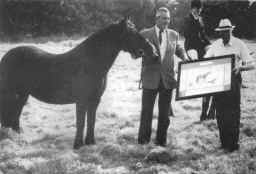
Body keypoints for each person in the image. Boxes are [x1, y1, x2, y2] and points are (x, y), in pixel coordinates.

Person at [138, 7, 188, 146]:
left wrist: (184, 56)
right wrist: (143, 53)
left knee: (165, 114)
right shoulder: (145, 34)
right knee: (146, 111)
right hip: (150, 79)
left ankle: (161, 142)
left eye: (168, 19)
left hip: (167, 79)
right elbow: (136, 52)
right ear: (157, 19)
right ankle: (143, 141)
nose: (167, 21)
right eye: (164, 18)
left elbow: (178, 48)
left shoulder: (173, 34)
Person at [204, 18, 255, 152]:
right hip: (219, 82)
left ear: (231, 30)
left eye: (227, 31)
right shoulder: (215, 45)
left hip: (234, 81)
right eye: (222, 31)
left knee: (233, 112)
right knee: (220, 112)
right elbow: (206, 59)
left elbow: (251, 64)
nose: (224, 34)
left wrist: (240, 68)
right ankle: (224, 142)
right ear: (219, 32)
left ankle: (233, 144)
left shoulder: (239, 44)